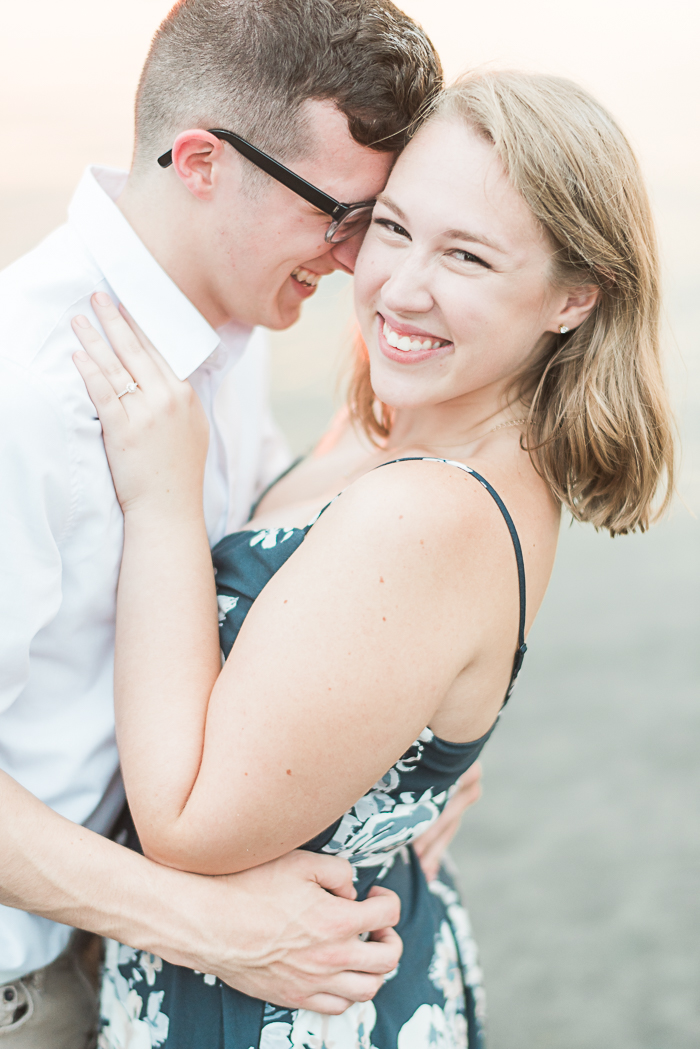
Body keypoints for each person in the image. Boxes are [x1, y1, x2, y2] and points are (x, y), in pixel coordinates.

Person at [73, 69, 675, 1047]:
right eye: (391, 226)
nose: (401, 285)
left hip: (274, 1006)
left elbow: (184, 822)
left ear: (572, 298)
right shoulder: (413, 418)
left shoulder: (430, 511)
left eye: (468, 257)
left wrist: (161, 499)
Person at [0, 1, 467, 1043]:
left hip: (120, 958)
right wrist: (214, 926)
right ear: (202, 160)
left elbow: (257, 574)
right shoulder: (22, 394)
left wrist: (415, 745)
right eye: (335, 213)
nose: (354, 260)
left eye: (374, 220)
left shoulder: (225, 317)